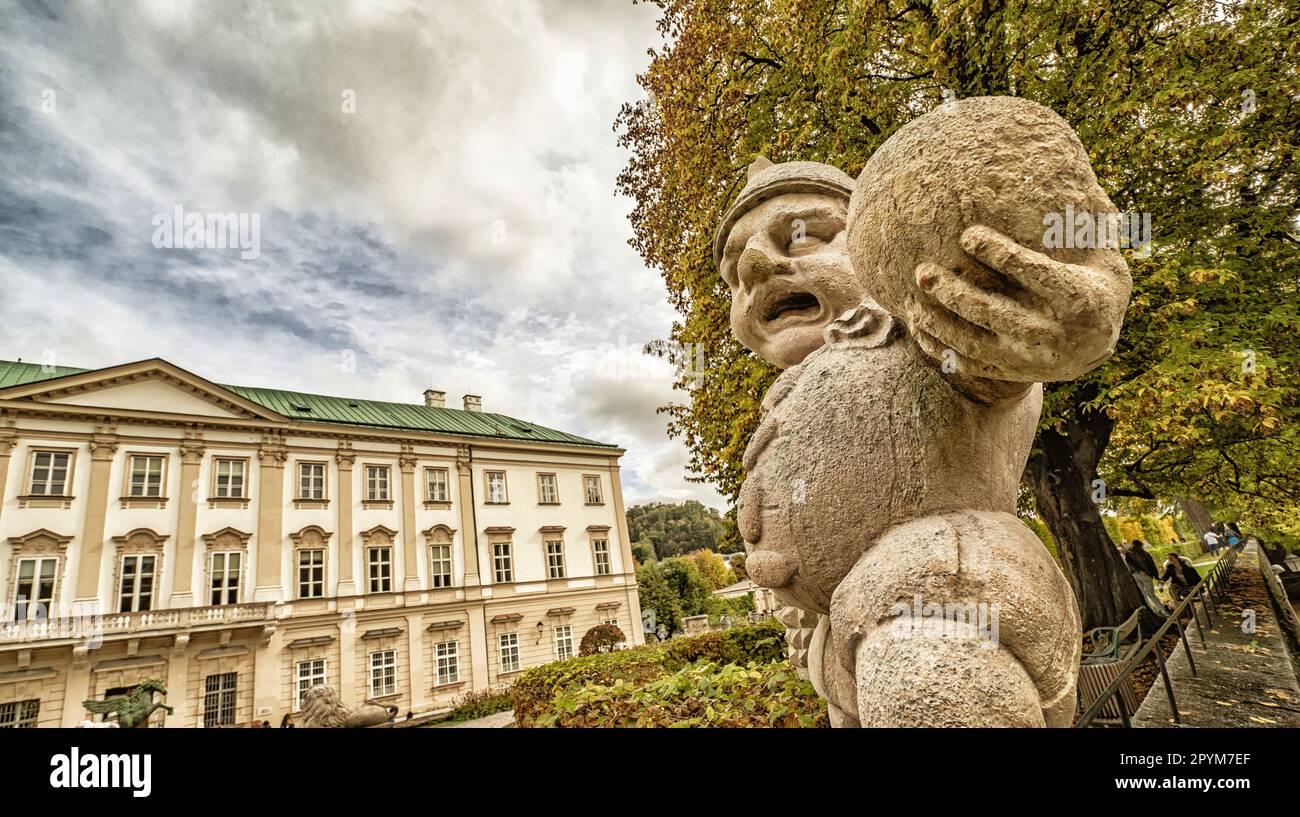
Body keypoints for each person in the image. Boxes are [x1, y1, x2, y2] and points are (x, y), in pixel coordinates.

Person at [1123, 540, 1165, 617]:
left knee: (1143, 595)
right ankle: (1162, 610)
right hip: (1146, 575)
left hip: (1135, 575)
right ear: (1141, 545)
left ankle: (1151, 611)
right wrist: (1156, 577)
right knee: (1151, 595)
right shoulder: (1145, 554)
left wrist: (1137, 570)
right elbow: (1152, 565)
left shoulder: (1128, 554)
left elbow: (1129, 565)